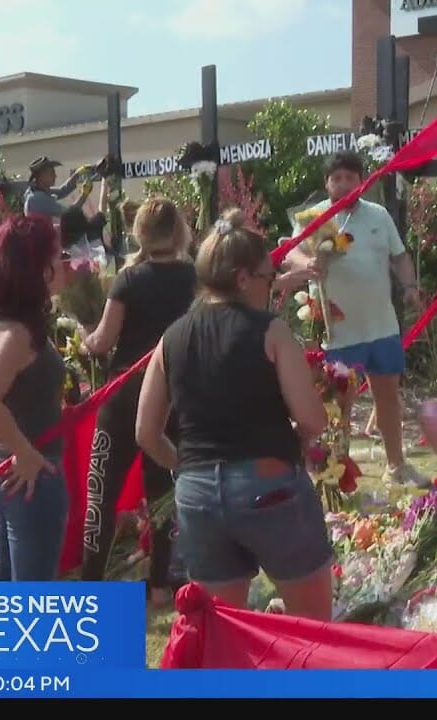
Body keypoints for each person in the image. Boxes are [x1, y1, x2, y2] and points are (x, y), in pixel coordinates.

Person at [135, 211, 333, 620]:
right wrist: (297, 436)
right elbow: (313, 419)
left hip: (197, 493)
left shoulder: (171, 338)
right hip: (268, 483)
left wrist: (185, 466)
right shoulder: (270, 330)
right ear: (243, 279)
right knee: (312, 628)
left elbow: (146, 432)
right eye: (267, 277)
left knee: (223, 632)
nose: (271, 285)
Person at [283, 151, 427, 487]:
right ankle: (335, 474)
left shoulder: (378, 215)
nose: (344, 184)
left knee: (387, 398)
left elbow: (401, 257)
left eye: (351, 177)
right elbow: (291, 251)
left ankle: (397, 466)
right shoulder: (314, 218)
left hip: (382, 326)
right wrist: (306, 264)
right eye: (337, 178)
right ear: (327, 183)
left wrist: (409, 286)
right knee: (339, 406)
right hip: (338, 332)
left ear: (362, 180)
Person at [77, 198, 196, 605]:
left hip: (127, 392)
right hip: (174, 392)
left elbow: (103, 342)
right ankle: (159, 582)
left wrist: (82, 335)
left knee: (102, 491)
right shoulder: (193, 278)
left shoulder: (128, 279)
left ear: (138, 233)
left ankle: (90, 582)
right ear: (179, 231)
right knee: (162, 489)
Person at [0, 215, 69, 582]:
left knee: (4, 582)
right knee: (32, 596)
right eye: (57, 255)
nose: (64, 261)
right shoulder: (16, 333)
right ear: (38, 269)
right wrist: (23, 449)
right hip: (24, 473)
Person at [23, 156, 93, 219]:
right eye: (51, 173)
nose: (55, 176)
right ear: (41, 176)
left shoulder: (38, 190)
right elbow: (69, 213)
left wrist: (77, 174)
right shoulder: (37, 198)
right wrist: (84, 194)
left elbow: (62, 191)